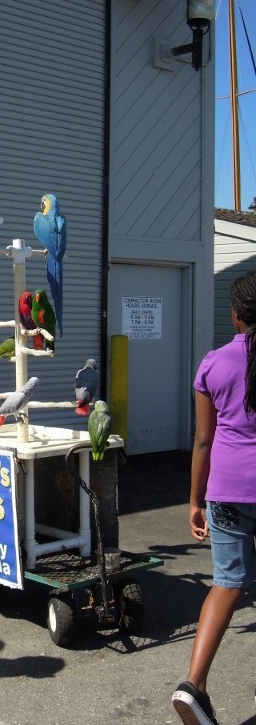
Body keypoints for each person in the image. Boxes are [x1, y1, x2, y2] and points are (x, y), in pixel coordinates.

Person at [172, 270, 256, 725]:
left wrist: (194, 500)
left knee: (227, 583)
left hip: (225, 491)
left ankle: (194, 685)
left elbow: (203, 440)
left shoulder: (214, 364)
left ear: (236, 315)